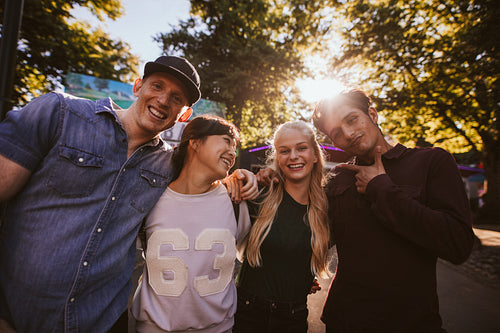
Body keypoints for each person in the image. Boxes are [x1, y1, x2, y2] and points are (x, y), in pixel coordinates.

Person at [0, 56, 256, 332]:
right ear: (137, 86)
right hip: (16, 316)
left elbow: (198, 182)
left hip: (103, 322)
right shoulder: (60, 114)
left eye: (175, 97)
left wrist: (250, 177)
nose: (162, 100)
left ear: (183, 115)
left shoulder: (168, 166)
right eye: (157, 86)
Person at [312, 88, 474, 332]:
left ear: (373, 114)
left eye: (352, 119)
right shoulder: (338, 178)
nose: (348, 133)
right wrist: (279, 180)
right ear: (334, 141)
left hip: (411, 323)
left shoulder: (431, 162)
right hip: (344, 321)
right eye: (337, 132)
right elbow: (313, 236)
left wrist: (381, 189)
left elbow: (458, 244)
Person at [131, 114, 255, 332]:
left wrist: (267, 176)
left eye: (235, 146)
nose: (233, 153)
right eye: (226, 141)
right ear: (195, 142)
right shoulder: (150, 197)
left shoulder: (236, 201)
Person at [233, 121, 331, 333]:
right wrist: (238, 177)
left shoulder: (326, 208)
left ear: (315, 155)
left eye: (301, 148)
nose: (293, 156)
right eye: (284, 151)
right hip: (247, 312)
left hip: (293, 318)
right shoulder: (259, 195)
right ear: (277, 157)